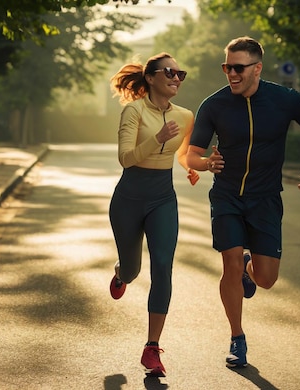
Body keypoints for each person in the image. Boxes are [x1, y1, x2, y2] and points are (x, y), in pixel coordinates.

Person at [186, 36, 300, 368]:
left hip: (265, 199)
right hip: (226, 196)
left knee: (266, 279)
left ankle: (252, 271)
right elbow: (192, 155)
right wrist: (206, 163)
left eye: (238, 68)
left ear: (257, 68)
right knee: (230, 263)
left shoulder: (284, 99)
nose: (231, 74)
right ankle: (237, 338)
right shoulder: (214, 105)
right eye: (227, 67)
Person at [108, 52, 199, 377]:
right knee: (133, 270)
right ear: (150, 78)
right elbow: (126, 158)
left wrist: (195, 168)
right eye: (169, 72)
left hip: (163, 198)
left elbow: (185, 154)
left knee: (163, 266)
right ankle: (121, 274)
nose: (176, 78)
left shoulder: (186, 116)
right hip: (129, 199)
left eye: (180, 73)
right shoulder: (133, 111)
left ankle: (152, 347)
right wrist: (157, 140)